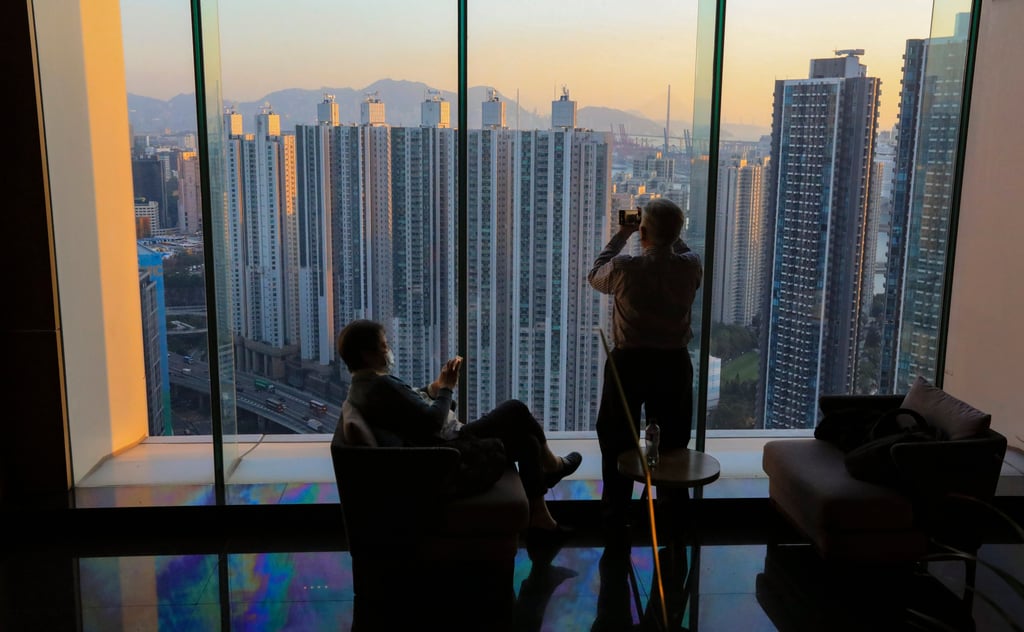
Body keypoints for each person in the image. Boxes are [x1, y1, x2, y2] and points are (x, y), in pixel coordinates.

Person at [336, 319, 582, 543]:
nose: (388, 349)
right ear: (366, 355)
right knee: (515, 409)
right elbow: (432, 422)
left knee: (527, 442)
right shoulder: (380, 385)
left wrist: (434, 388)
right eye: (383, 345)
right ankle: (552, 466)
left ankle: (540, 520)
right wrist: (447, 388)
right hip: (447, 449)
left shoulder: (362, 386)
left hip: (439, 443)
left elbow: (408, 408)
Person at [588, 198, 703, 545]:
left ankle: (615, 517)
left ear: (642, 231)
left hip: (629, 363)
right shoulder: (691, 265)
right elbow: (678, 248)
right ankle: (667, 518)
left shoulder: (624, 267)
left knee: (616, 440)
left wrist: (623, 235)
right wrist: (666, 233)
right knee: (671, 445)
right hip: (673, 364)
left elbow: (595, 276)